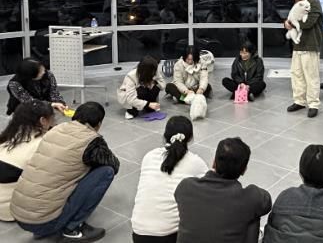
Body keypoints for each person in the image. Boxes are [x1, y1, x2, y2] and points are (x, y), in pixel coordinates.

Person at [11, 102, 120, 243]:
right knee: (106, 171)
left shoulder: (56, 129)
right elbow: (114, 164)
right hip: (43, 222)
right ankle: (72, 229)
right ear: (99, 124)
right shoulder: (92, 141)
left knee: (69, 169)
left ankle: (45, 224)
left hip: (19, 216)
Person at [175, 137, 271, 243]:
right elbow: (267, 202)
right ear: (243, 170)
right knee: (253, 216)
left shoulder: (185, 186)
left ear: (214, 163)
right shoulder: (250, 198)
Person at [131, 116, 208, 243]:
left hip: (139, 234)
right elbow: (212, 187)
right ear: (190, 138)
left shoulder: (149, 156)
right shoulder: (196, 162)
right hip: (169, 237)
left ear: (165, 136)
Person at [0, 101, 55, 221]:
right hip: (12, 210)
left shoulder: (9, 136)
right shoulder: (43, 143)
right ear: (43, 120)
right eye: (52, 119)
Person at [284, 0, 323, 118]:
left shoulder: (314, 1)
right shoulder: (298, 3)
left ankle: (313, 104)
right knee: (296, 73)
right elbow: (292, 19)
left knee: (311, 76)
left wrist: (291, 24)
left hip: (310, 45)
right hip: (298, 45)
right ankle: (299, 101)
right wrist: (287, 23)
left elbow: (309, 23)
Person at [118, 56, 165, 120]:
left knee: (156, 87)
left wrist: (154, 82)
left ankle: (149, 105)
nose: (154, 73)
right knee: (141, 90)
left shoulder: (154, 70)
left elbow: (163, 83)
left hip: (146, 91)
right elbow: (131, 99)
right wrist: (148, 104)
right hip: (131, 96)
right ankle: (131, 111)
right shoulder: (131, 76)